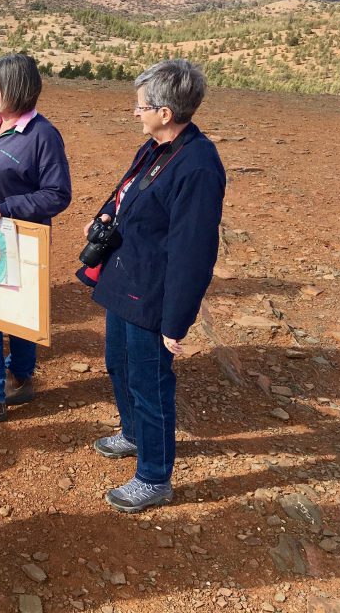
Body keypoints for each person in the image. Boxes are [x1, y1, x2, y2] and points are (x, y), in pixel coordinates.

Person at [82, 59, 225, 513]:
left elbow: (193, 254)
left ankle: (154, 476)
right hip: (125, 278)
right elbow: (127, 189)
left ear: (166, 111)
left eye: (141, 106)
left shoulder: (198, 167)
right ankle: (131, 432)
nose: (135, 113)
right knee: (118, 365)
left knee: (150, 382)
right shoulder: (158, 146)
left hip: (152, 294)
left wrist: (175, 322)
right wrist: (107, 212)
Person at [0, 54, 72, 423]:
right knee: (5, 311)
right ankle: (20, 379)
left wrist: (5, 207)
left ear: (16, 89)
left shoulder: (42, 136)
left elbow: (58, 193)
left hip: (18, 237)